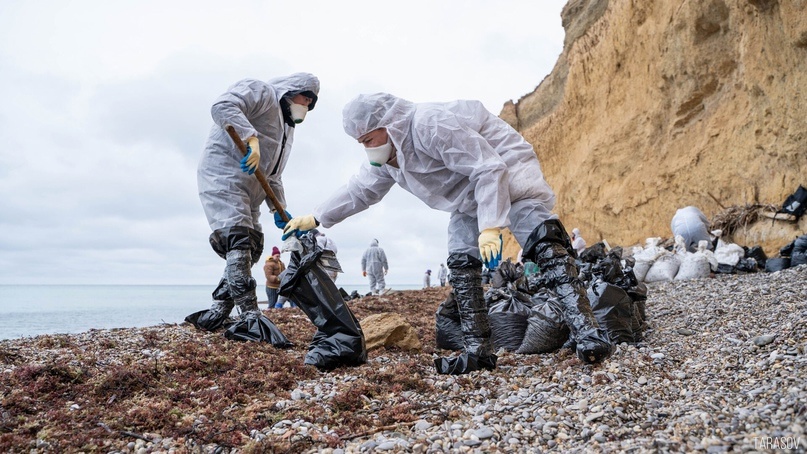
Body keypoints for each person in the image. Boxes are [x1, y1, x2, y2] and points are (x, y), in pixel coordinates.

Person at [281, 92, 612, 374]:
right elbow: (360, 190)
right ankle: (478, 351)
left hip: (508, 170)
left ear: (387, 124)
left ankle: (588, 332)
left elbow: (488, 167)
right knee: (460, 262)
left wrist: (492, 225)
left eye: (368, 140)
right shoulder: (394, 156)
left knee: (541, 240)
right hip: (467, 195)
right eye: (361, 143)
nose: (367, 149)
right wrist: (316, 217)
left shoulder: (429, 124)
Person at [188, 72, 319, 337]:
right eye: (304, 98)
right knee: (238, 241)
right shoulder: (262, 92)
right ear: (291, 91)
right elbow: (223, 106)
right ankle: (249, 314)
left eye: (309, 103)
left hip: (255, 190)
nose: (305, 106)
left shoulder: (287, 130)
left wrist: (279, 209)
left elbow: (274, 175)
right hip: (224, 176)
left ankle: (218, 311)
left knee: (254, 248)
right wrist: (251, 137)